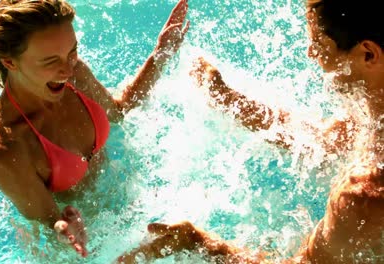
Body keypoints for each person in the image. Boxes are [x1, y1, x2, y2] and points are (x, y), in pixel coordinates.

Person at [117, 0, 384, 263]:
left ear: (368, 54)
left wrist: (200, 242)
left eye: (320, 45)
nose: (310, 54)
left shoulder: (363, 196)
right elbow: (323, 137)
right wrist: (228, 99)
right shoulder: (374, 107)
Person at [0, 0, 189, 258]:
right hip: (76, 250)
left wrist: (161, 54)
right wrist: (63, 228)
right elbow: (46, 226)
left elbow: (119, 111)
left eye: (72, 51)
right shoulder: (8, 146)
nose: (67, 69)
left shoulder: (74, 73)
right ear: (10, 62)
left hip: (122, 211)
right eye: (51, 61)